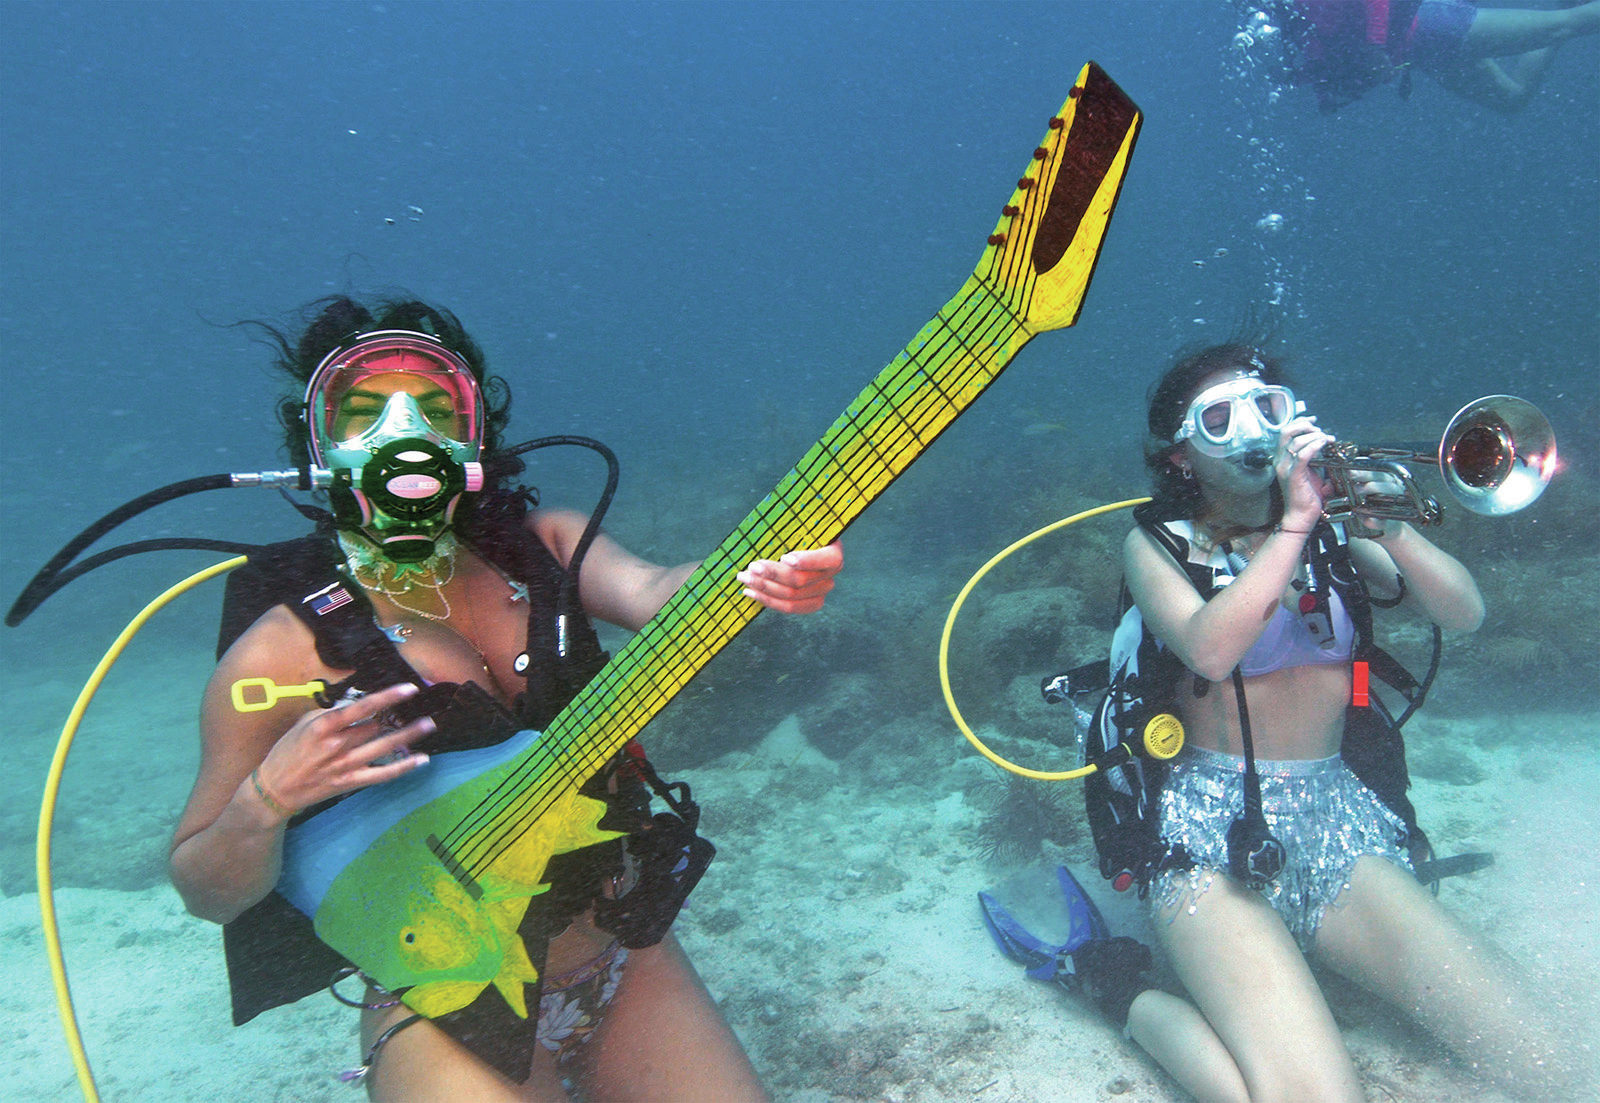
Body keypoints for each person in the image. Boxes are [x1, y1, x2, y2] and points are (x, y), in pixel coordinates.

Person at [168, 296, 842, 1101]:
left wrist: (752, 575)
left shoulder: (547, 543)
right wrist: (266, 799)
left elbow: (659, 590)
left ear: (474, 433)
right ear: (317, 448)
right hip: (443, 1003)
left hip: (624, 957)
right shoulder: (282, 647)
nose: (400, 435)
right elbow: (206, 889)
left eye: (432, 407)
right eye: (362, 416)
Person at [1055, 343, 1578, 1100]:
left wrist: (1379, 519)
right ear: (1180, 459)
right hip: (1204, 838)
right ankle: (1122, 989)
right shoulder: (1156, 544)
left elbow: (1464, 612)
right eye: (1219, 417)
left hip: (1339, 820)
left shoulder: (1336, 524)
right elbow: (1208, 647)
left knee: (1541, 1056)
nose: (1250, 431)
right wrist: (1298, 524)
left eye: (1265, 407)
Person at [1283, 0, 1600, 113]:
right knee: (1511, 98)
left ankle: (1566, 17)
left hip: (1433, 27)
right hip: (1421, 51)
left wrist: (1375, 46)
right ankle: (1567, 9)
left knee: (1564, 27)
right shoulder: (1274, 12)